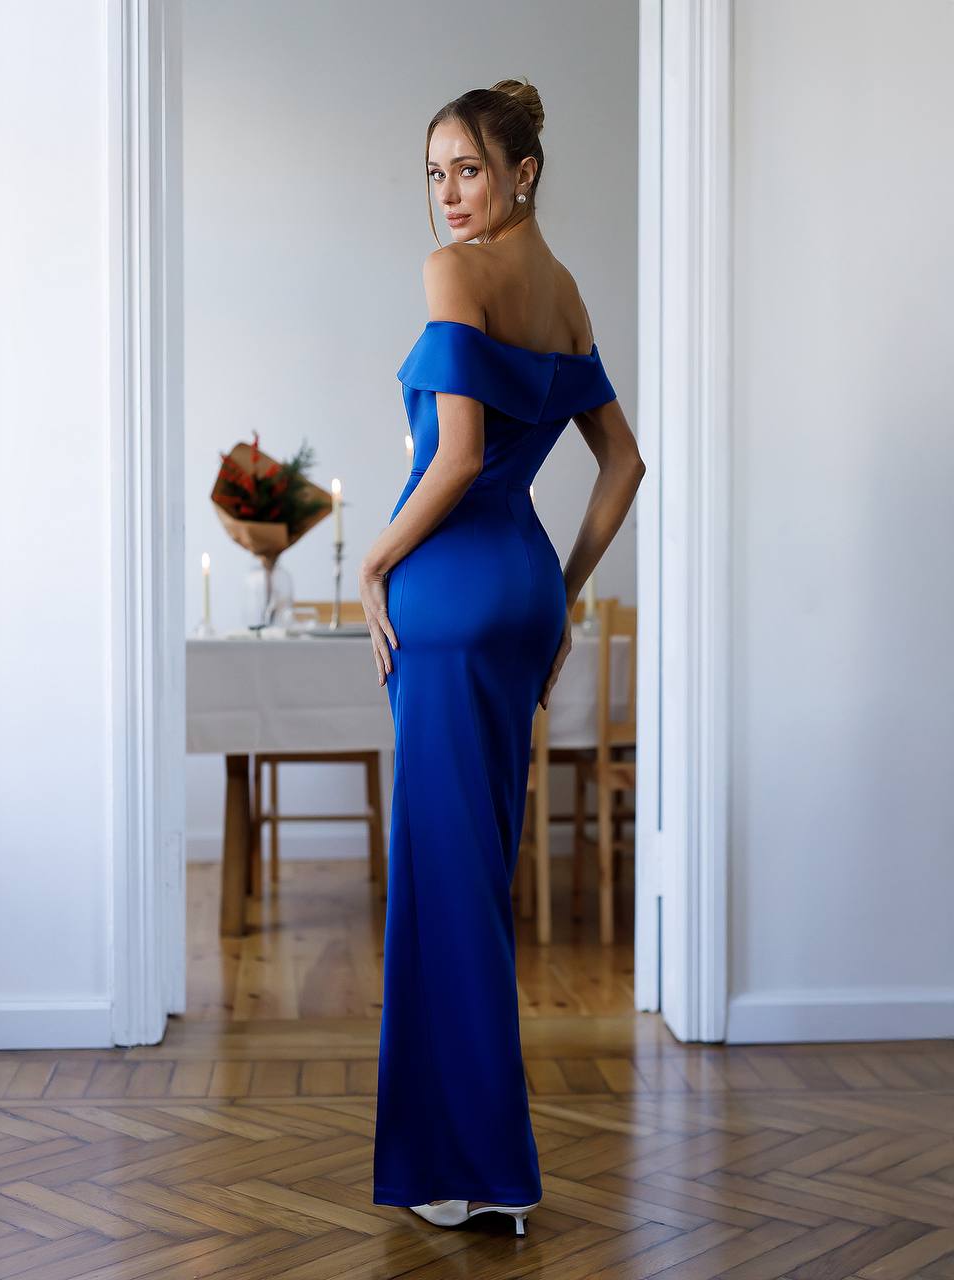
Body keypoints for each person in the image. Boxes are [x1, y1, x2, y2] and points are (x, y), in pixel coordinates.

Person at [358, 79, 646, 1237]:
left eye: (467, 169)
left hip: (447, 595)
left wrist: (373, 564)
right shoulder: (565, 294)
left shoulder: (453, 277)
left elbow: (459, 454)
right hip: (516, 591)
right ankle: (482, 1163)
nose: (448, 196)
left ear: (522, 170)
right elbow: (622, 463)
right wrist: (562, 590)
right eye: (434, 175)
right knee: (470, 871)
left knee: (444, 881)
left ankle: (471, 1161)